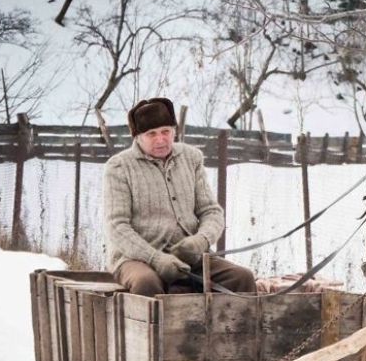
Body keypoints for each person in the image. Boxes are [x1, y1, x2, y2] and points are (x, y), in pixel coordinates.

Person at [103, 97, 256, 297]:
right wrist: (155, 258)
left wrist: (200, 241)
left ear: (174, 130)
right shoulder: (119, 167)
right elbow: (117, 226)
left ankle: (236, 328)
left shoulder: (191, 158)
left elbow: (211, 211)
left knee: (242, 277)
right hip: (136, 259)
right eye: (151, 134)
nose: (161, 139)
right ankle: (156, 329)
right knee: (146, 283)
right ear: (137, 137)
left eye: (166, 131)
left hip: (191, 259)